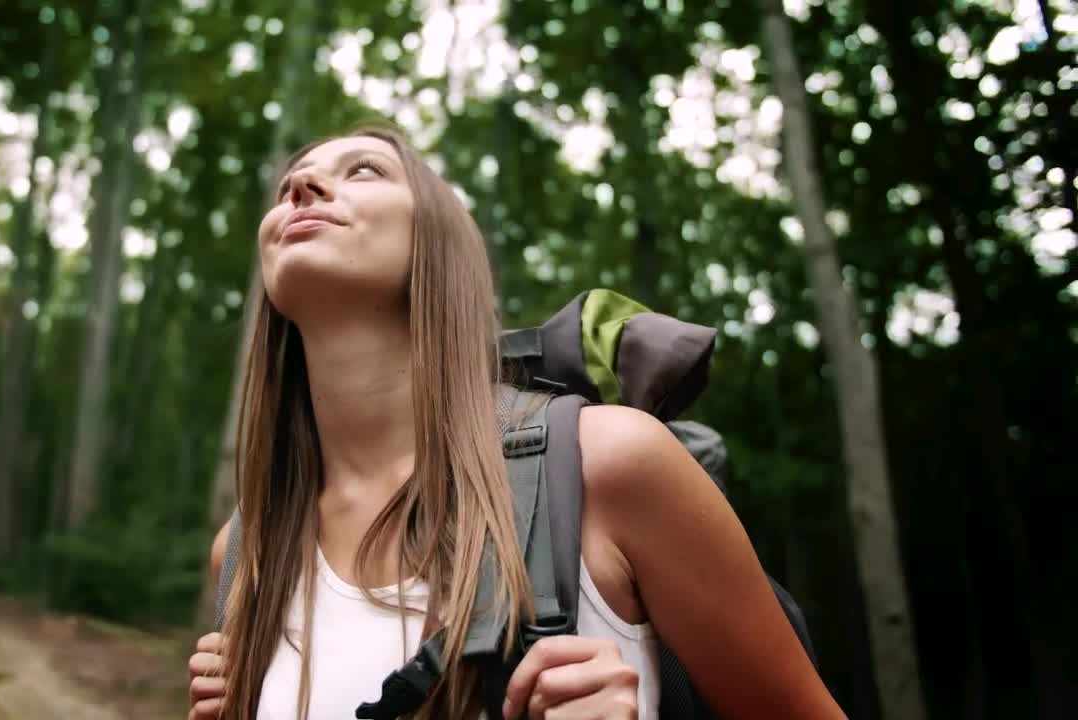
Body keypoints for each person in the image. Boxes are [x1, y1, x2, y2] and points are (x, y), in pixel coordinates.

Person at [186, 126, 845, 720]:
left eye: (364, 171)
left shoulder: (611, 464)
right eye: (286, 188)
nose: (301, 186)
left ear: (440, 244)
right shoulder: (246, 551)